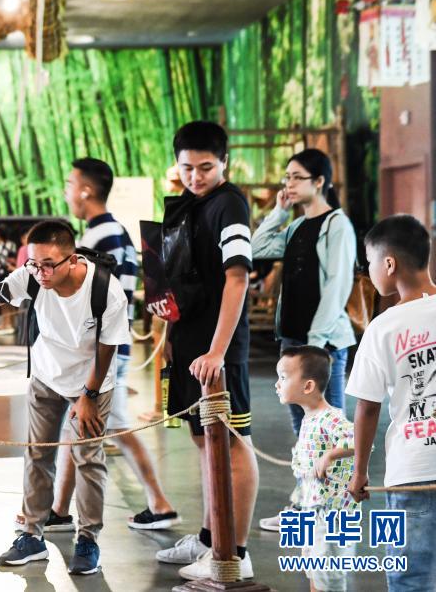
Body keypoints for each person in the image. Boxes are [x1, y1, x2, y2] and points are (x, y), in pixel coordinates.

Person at [12, 158, 179, 533]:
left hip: (99, 353)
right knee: (80, 430)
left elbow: (90, 305)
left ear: (86, 190)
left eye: (70, 184)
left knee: (110, 427)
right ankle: (58, 509)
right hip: (102, 350)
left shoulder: (95, 240)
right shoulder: (114, 231)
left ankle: (159, 502)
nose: (66, 191)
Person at [0, 220, 130, 576]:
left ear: (71, 260)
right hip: (46, 375)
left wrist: (89, 395)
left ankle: (88, 540)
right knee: (38, 453)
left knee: (88, 457)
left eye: (48, 265)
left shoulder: (106, 290)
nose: (39, 272)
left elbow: (109, 347)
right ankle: (32, 536)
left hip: (91, 381)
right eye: (34, 263)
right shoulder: (31, 276)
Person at [154, 121, 259, 581]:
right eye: (187, 168)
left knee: (233, 443)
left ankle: (235, 551)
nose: (195, 176)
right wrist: (170, 339)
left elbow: (238, 277)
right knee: (204, 441)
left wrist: (217, 351)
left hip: (219, 349)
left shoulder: (229, 204)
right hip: (190, 342)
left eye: (206, 167)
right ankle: (207, 538)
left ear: (224, 164)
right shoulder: (190, 204)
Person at [250, 149, 357, 532]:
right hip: (293, 343)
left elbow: (338, 286)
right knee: (305, 433)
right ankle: (307, 505)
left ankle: (333, 512)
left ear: (320, 181)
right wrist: (279, 212)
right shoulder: (296, 226)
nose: (289, 183)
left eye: (297, 177)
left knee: (330, 433)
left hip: (321, 347)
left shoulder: (337, 225)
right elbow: (256, 249)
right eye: (287, 177)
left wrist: (315, 344)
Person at [347, 215, 436, 592]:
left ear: (389, 264)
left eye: (369, 262)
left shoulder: (383, 327)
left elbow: (368, 408)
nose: (368, 271)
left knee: (410, 578)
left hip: (412, 472)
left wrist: (359, 472)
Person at [275, 345, 356, 592]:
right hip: (312, 509)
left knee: (327, 574)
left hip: (332, 515)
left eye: (283, 377)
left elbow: (357, 440)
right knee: (314, 568)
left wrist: (330, 455)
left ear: (308, 386)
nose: (277, 384)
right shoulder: (309, 418)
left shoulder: (330, 417)